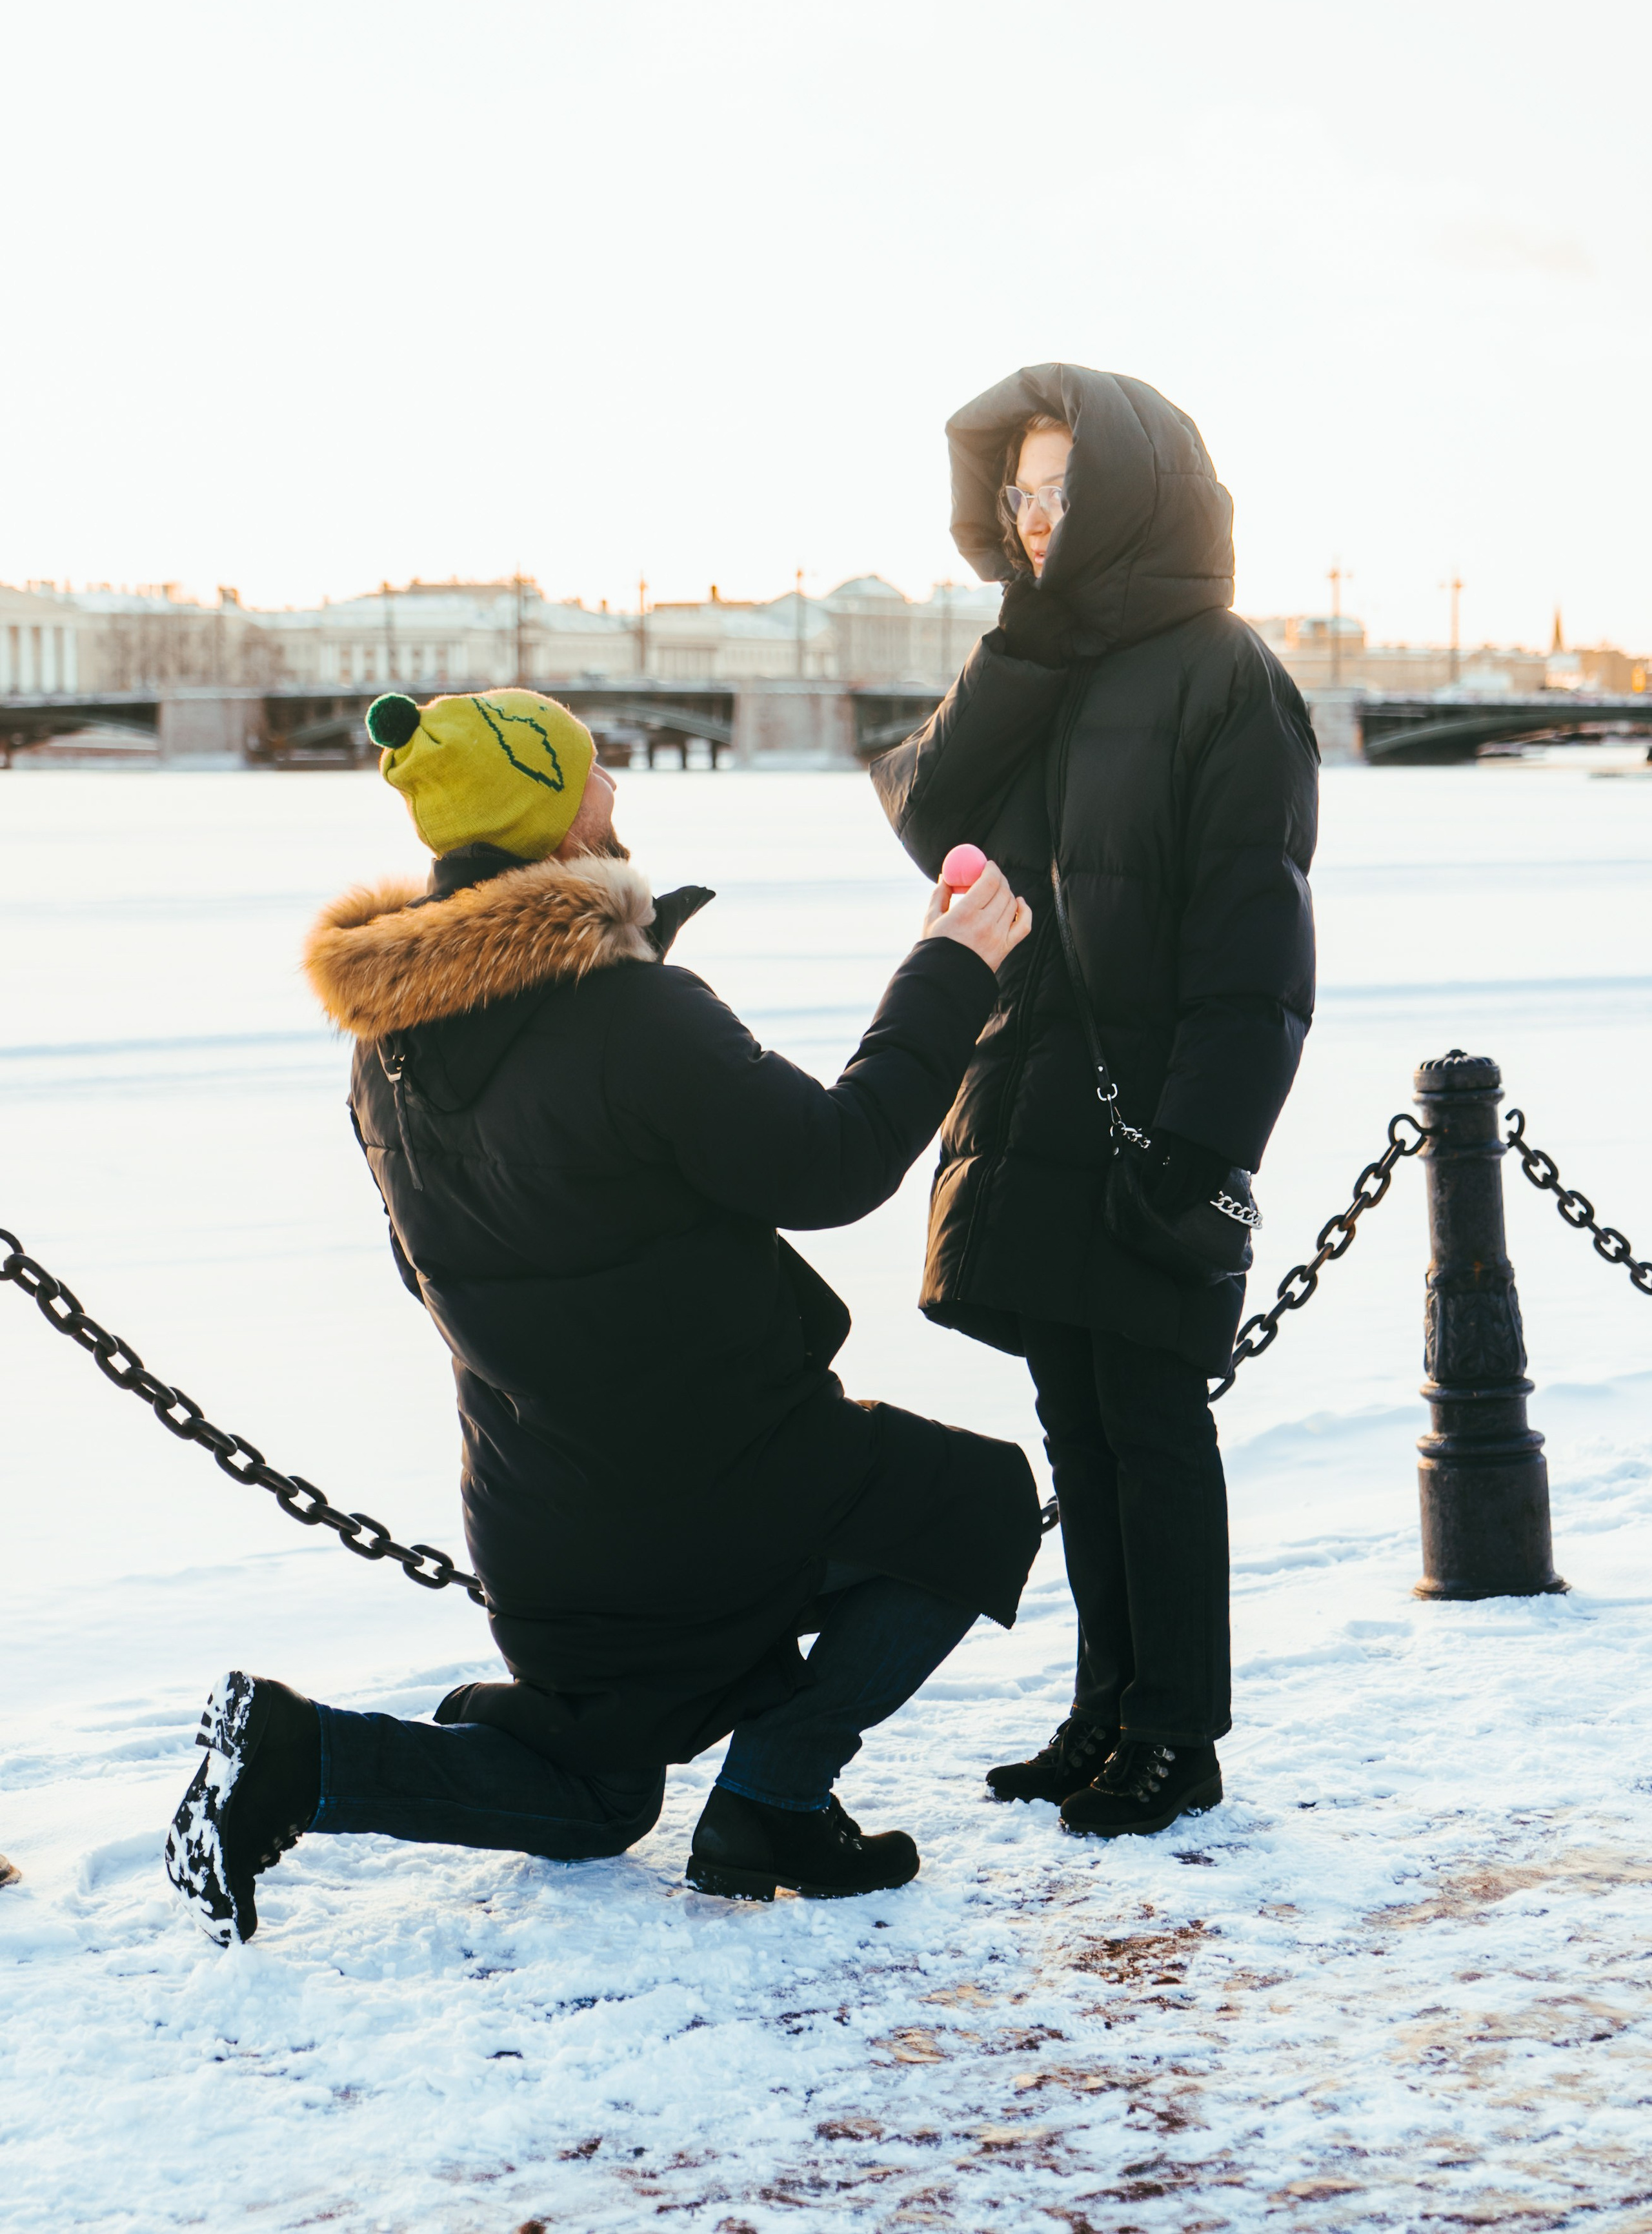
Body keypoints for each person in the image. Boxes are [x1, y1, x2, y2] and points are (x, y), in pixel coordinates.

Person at [165, 685, 1040, 1945]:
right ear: (556, 819)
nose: (617, 795)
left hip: (541, 1522)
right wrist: (952, 968)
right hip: (722, 1476)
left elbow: (438, 1266)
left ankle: (292, 1758)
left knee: (590, 1798)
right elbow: (835, 1163)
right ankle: (773, 1803)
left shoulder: (385, 1046)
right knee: (973, 1506)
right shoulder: (629, 1012)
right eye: (593, 780)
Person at [872, 363, 1318, 1840]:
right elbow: (930, 817)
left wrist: (1202, 1140)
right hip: (1030, 1094)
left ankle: (1174, 1733)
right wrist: (1024, 644)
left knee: (1150, 1426)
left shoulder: (1223, 673)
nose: (1035, 518)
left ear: (1128, 493)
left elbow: (1252, 941)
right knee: (1078, 1424)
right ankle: (1101, 1708)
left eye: (1062, 491)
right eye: (1019, 494)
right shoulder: (1039, 660)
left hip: (1147, 1113)